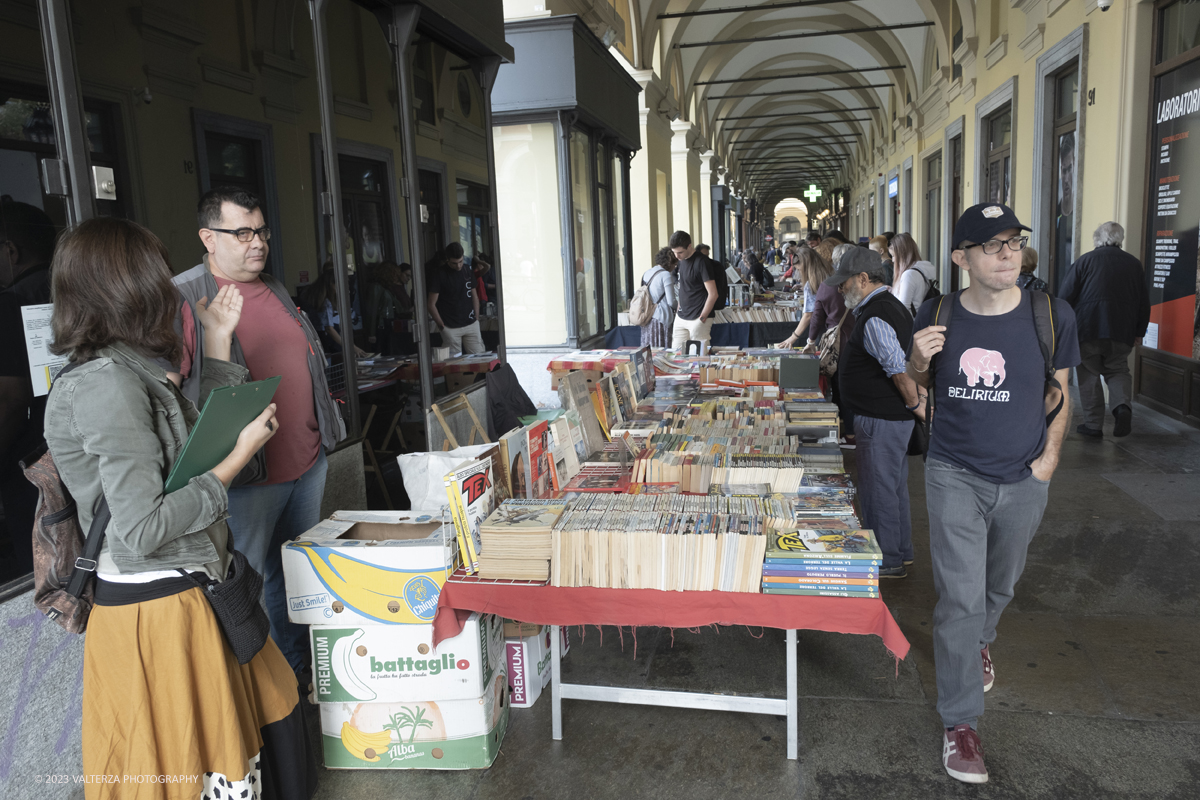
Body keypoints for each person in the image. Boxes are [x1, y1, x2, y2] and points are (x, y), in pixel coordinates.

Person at [45, 217, 317, 798]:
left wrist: (217, 340)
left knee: (245, 735)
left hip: (188, 586)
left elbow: (190, 450)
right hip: (156, 604)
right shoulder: (106, 383)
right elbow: (142, 527)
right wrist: (236, 459)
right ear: (126, 286)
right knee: (197, 760)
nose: (167, 286)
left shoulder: (128, 366)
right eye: (153, 272)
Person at [907, 203, 1079, 785]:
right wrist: (915, 359)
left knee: (999, 584)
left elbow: (1060, 394)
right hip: (953, 472)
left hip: (1024, 475)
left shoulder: (1051, 315)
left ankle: (982, 639)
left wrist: (1049, 458)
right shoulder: (938, 312)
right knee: (958, 598)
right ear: (962, 258)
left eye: (1014, 242)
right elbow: (917, 384)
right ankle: (960, 724)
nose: (1008, 253)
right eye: (991, 245)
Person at [170, 186, 346, 681]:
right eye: (242, 232)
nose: (257, 242)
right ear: (208, 237)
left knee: (296, 581)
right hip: (245, 476)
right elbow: (173, 398)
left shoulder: (275, 287)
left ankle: (295, 681)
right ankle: (260, 697)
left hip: (305, 462)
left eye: (261, 230)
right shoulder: (184, 298)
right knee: (247, 585)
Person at [826, 247, 922, 579]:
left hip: (881, 418)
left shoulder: (877, 314)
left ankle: (887, 560)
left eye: (845, 283)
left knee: (878, 491)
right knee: (892, 488)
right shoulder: (888, 306)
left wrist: (914, 405)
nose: (840, 289)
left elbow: (898, 370)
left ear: (864, 279)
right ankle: (901, 552)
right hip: (888, 417)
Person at [0, 199, 57, 580]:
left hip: (30, 457)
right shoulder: (74, 289)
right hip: (75, 448)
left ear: (11, 250)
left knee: (37, 564)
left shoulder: (10, 302)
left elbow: (10, 396)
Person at [1059, 221, 1150, 438]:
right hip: (1122, 330)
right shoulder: (1134, 264)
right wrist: (1139, 331)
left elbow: (1064, 296)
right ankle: (1122, 408)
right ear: (1120, 239)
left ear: (1097, 238)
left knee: (1088, 373)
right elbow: (1144, 302)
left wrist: (1061, 327)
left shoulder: (1085, 261)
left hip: (1087, 328)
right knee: (1118, 369)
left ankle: (1092, 426)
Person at [427, 242, 485, 354]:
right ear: (447, 259)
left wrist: (476, 317)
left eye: (460, 261)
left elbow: (474, 295)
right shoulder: (439, 274)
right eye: (454, 263)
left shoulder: (467, 270)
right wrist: (441, 325)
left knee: (479, 357)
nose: (458, 266)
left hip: (471, 322)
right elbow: (431, 304)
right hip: (449, 325)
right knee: (454, 363)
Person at [670, 230, 720, 352]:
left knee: (699, 358)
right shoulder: (681, 262)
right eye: (674, 252)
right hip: (681, 317)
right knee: (675, 355)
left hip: (698, 317)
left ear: (689, 246)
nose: (677, 256)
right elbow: (683, 287)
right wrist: (678, 311)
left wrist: (702, 318)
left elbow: (713, 294)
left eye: (680, 252)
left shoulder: (702, 262)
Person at [777, 248, 830, 348]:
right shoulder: (831, 273)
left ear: (807, 268)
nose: (799, 273)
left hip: (823, 330)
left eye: (800, 270)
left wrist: (793, 337)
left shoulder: (811, 285)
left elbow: (808, 315)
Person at [890, 232, 937, 315]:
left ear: (902, 255)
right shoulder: (920, 270)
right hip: (917, 320)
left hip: (909, 325)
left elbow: (903, 307)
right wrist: (892, 290)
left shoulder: (909, 275)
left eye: (893, 256)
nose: (893, 260)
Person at [640, 247, 677, 347]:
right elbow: (671, 301)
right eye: (675, 264)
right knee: (662, 349)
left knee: (649, 350)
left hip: (647, 317)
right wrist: (678, 306)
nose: (675, 267)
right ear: (670, 262)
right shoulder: (666, 275)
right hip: (661, 317)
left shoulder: (647, 273)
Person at [364, 261, 403, 354]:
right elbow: (372, 310)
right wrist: (372, 333)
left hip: (388, 323)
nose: (396, 277)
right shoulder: (376, 287)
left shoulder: (385, 288)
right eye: (394, 274)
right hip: (382, 325)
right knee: (383, 351)